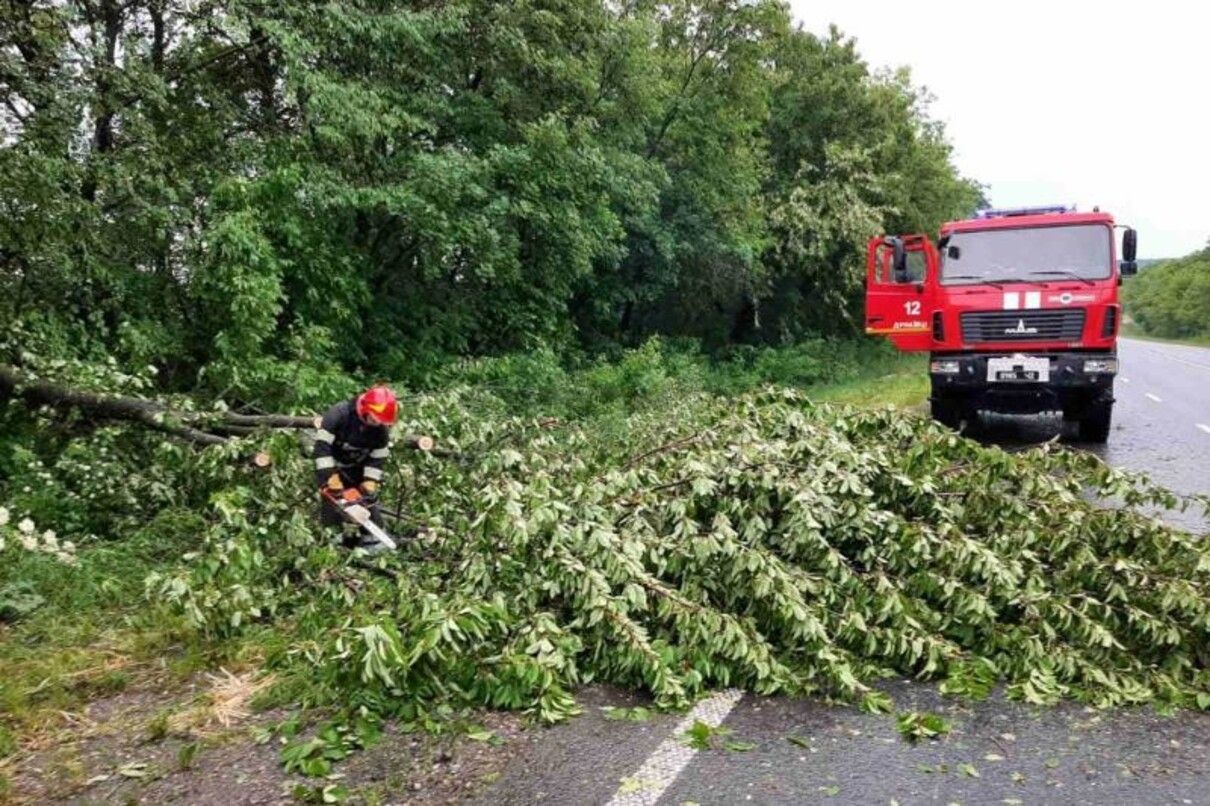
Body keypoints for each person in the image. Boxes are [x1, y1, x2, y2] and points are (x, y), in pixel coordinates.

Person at [314, 385, 397, 548]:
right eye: (375, 418)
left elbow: (378, 457)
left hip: (357, 469)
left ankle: (373, 544)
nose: (377, 423)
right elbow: (322, 449)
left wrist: (370, 481)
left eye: (381, 421)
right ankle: (332, 543)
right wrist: (330, 476)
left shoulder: (381, 431)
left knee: (368, 505)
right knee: (332, 504)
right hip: (331, 465)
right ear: (366, 408)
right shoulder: (339, 415)